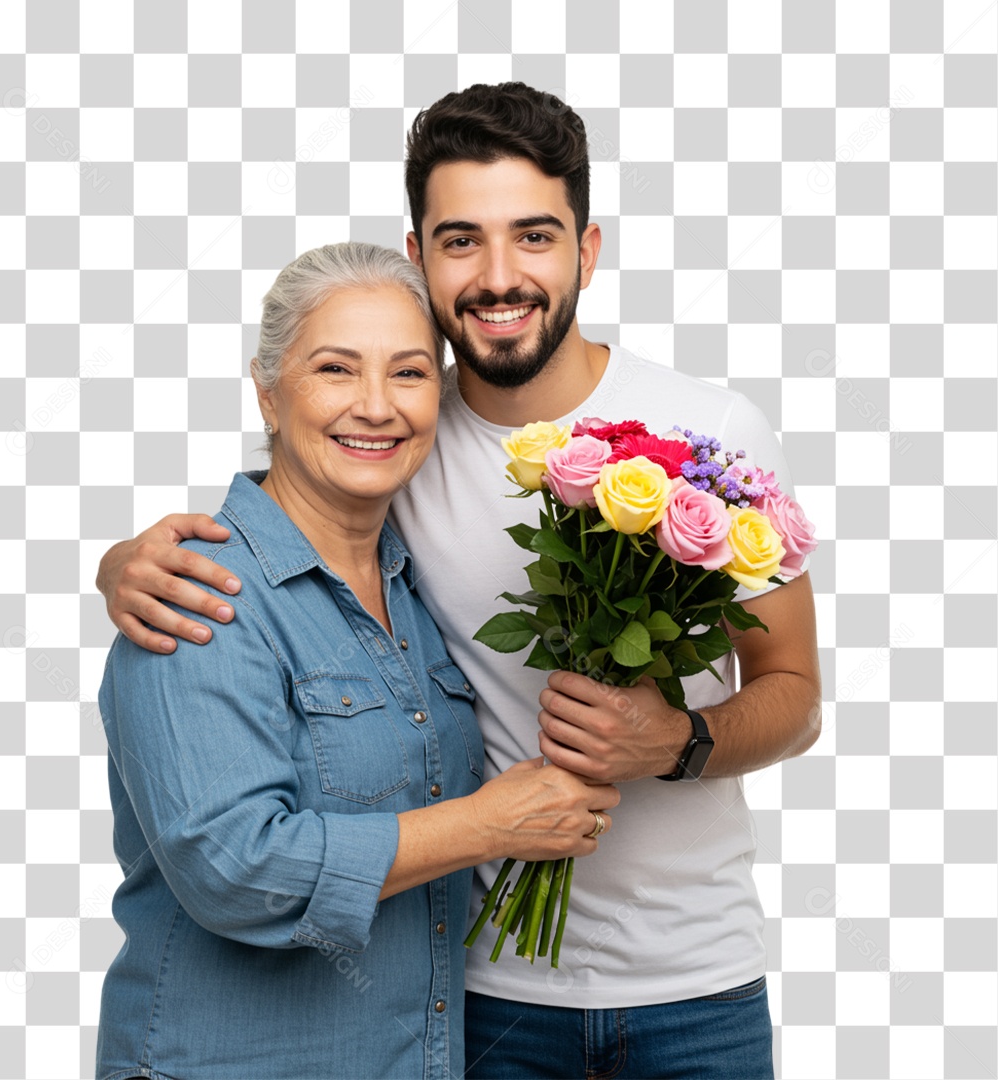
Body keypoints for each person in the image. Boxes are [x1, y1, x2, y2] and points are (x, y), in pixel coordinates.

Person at [97, 85, 821, 1079]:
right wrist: (124, 565)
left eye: (533, 235)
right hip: (482, 995)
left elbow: (795, 692)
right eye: (460, 241)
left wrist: (679, 740)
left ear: (587, 249)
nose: (498, 275)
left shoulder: (712, 439)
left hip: (697, 984)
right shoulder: (398, 446)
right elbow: (280, 530)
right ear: (421, 255)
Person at [95, 241, 618, 1080]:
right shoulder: (199, 595)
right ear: (268, 392)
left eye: (410, 374)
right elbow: (237, 868)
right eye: (337, 369)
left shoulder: (418, 588)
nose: (376, 406)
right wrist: (489, 825)